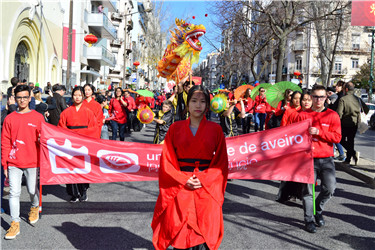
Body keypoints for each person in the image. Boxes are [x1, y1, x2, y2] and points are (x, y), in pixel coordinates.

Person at [152, 85, 228, 250]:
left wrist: (203, 179)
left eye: (202, 101)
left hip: (206, 186)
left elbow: (221, 162)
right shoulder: (175, 128)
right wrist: (184, 179)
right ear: (187, 104)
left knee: (204, 230)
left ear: (208, 105)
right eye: (194, 101)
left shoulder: (216, 130)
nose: (198, 105)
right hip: (181, 185)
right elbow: (167, 160)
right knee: (180, 230)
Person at [1, 85, 45, 239]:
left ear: (30, 98)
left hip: (33, 161)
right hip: (14, 161)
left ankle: (34, 206)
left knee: (32, 191)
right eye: (19, 97)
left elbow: (45, 139)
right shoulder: (10, 118)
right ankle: (15, 223)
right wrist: (5, 163)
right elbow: (5, 142)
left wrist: (42, 140)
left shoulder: (38, 117)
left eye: (25, 97)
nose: (22, 100)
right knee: (14, 193)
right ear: (14, 98)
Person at [296, 85, 342, 233]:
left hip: (326, 159)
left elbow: (337, 137)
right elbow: (295, 137)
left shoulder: (332, 115)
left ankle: (318, 209)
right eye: (315, 97)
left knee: (330, 188)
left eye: (321, 97)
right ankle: (308, 220)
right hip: (308, 159)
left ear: (326, 98)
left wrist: (319, 132)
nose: (318, 100)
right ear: (311, 98)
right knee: (308, 191)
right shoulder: (303, 115)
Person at [58, 86, 97, 202]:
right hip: (70, 144)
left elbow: (93, 129)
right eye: (75, 95)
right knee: (70, 169)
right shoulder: (66, 112)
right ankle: (73, 193)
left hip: (83, 144)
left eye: (80, 95)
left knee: (82, 168)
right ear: (72, 96)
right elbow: (61, 128)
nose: (77, 97)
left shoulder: (89, 112)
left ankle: (83, 190)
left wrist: (84, 138)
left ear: (83, 96)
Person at [337, 82, 369, 165]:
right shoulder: (357, 99)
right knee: (351, 141)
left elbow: (339, 113)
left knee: (341, 140)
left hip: (344, 124)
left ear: (346, 89)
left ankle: (352, 154)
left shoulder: (343, 99)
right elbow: (366, 109)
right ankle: (349, 157)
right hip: (354, 123)